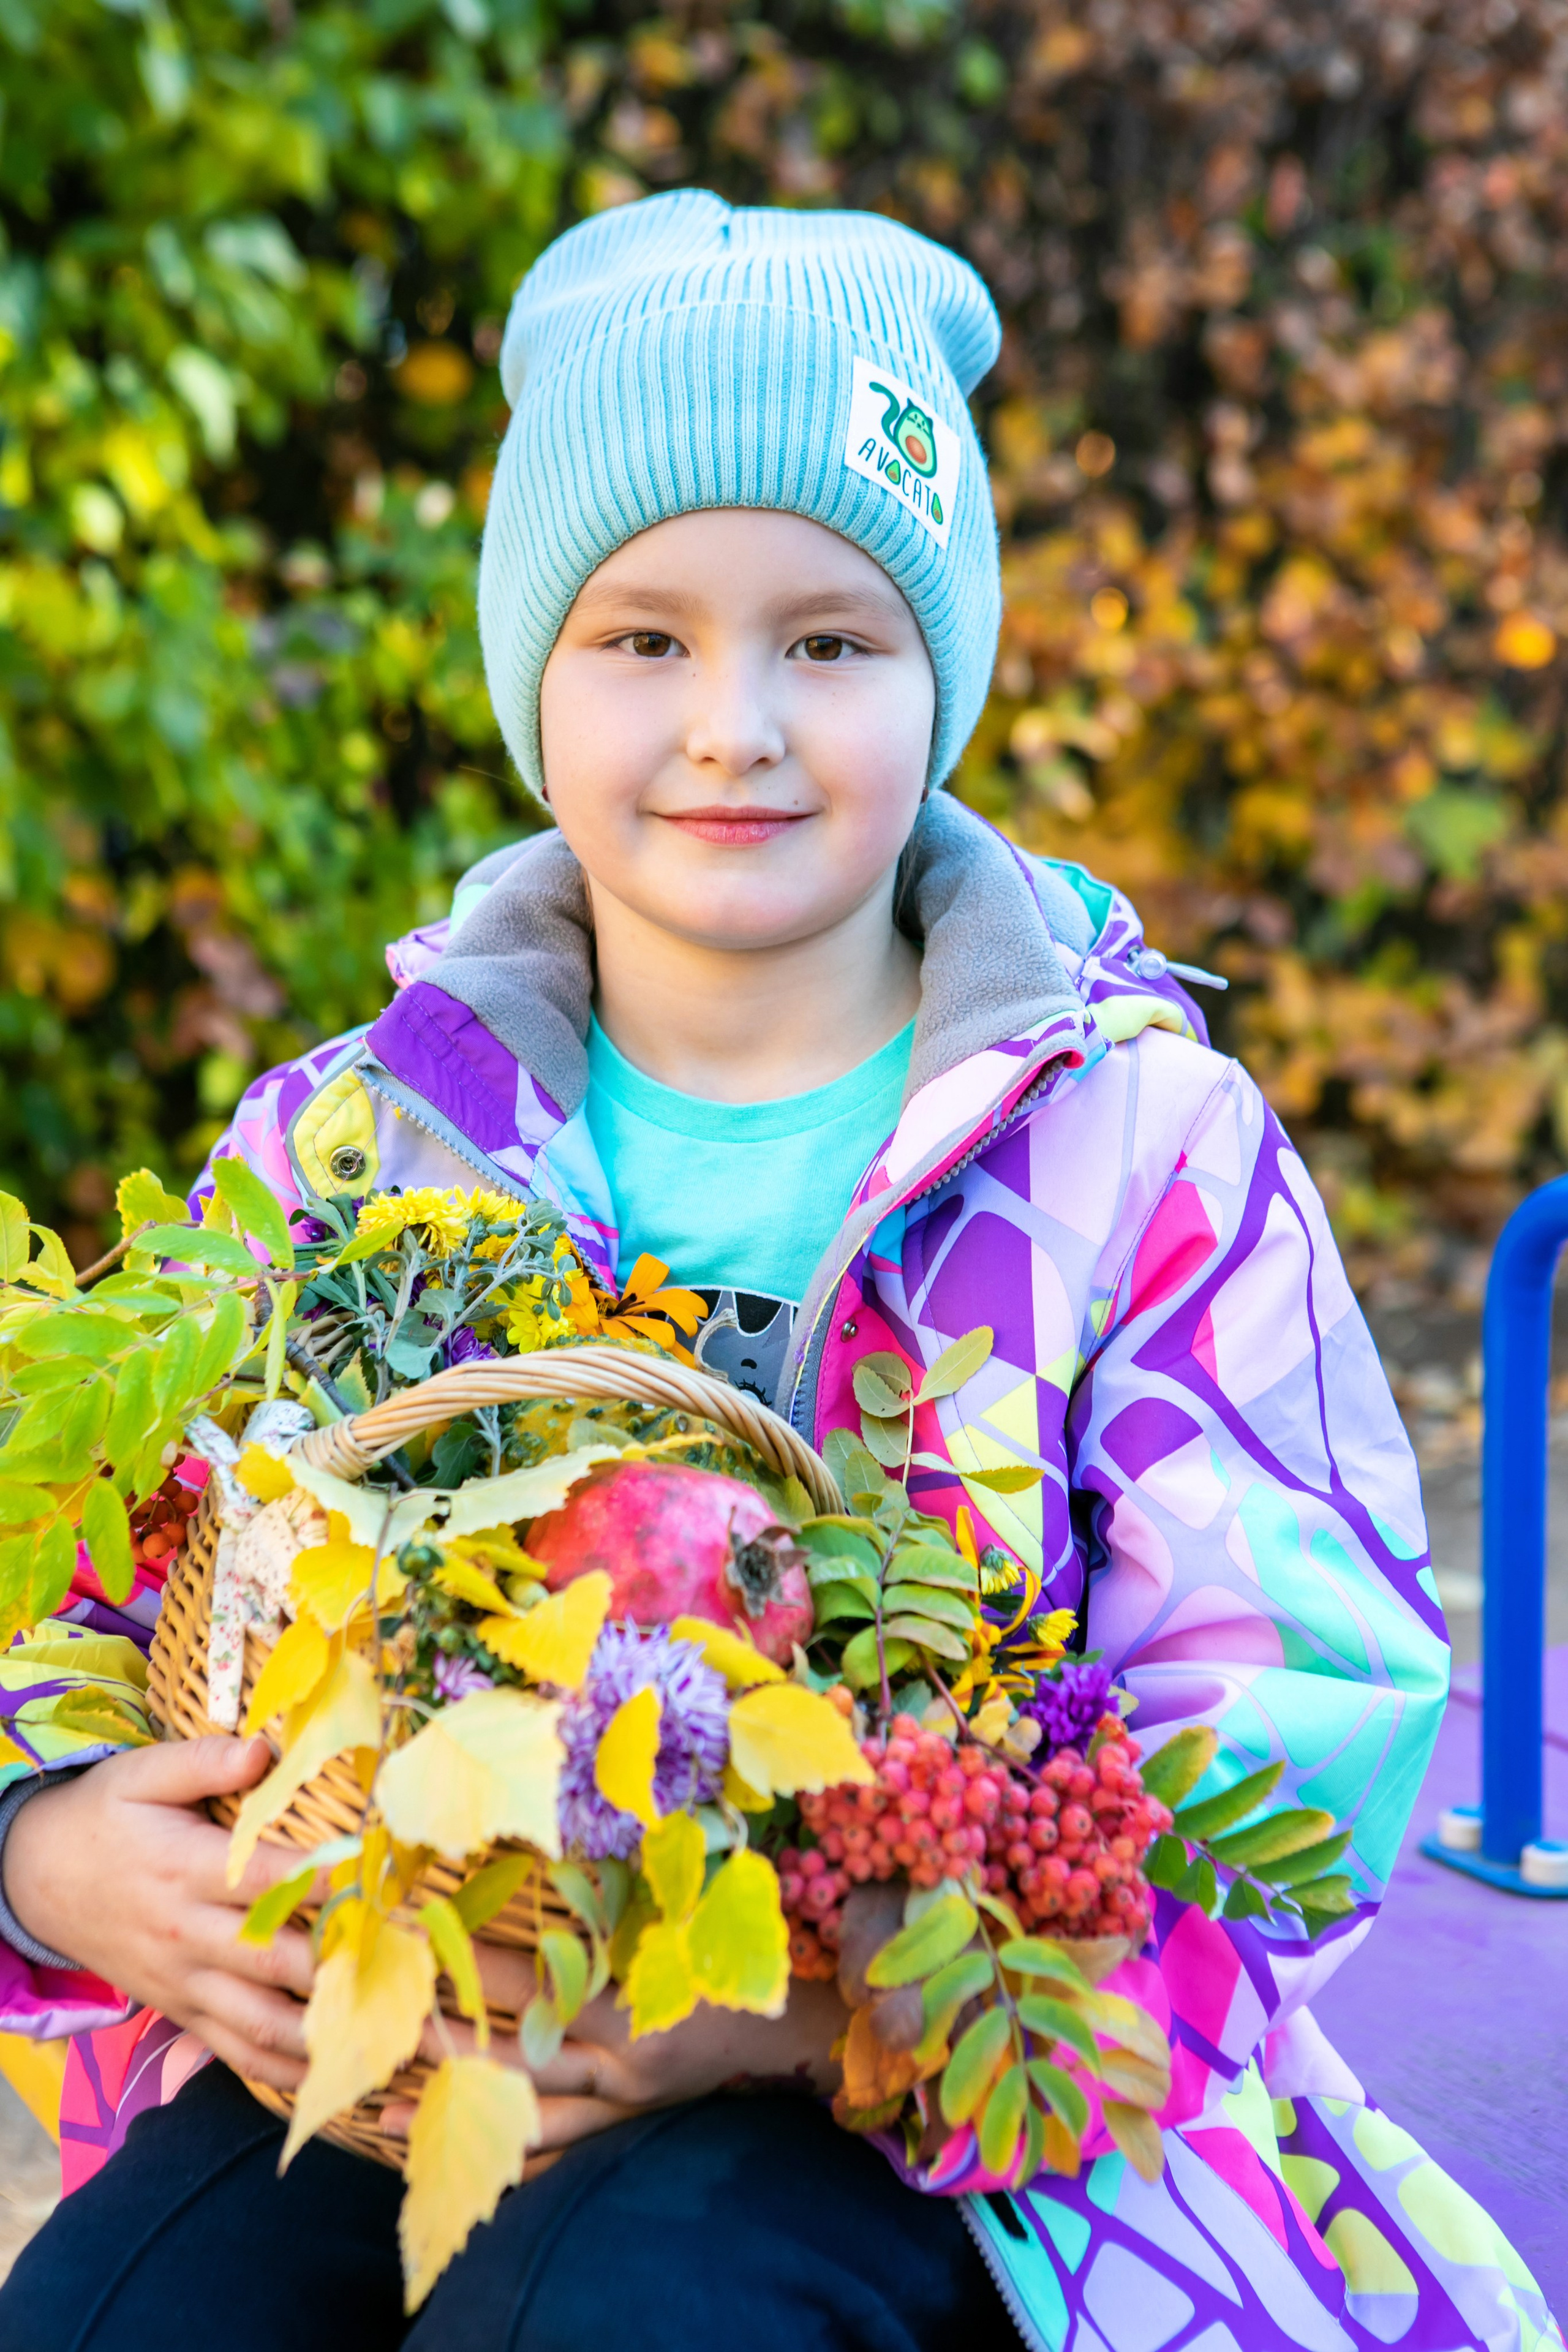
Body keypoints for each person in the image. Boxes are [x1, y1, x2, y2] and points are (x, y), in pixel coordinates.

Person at [0, 190, 1556, 2352]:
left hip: (905, 2090)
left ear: (945, 675)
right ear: (529, 675)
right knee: (118, 2311)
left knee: (614, 2304)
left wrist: (824, 2010)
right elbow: (101, 1587)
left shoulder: (1132, 1148)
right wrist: (53, 1845)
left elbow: (1296, 1722)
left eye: (830, 638)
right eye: (642, 637)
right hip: (396, 2030)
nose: (734, 721)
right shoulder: (352, 1142)